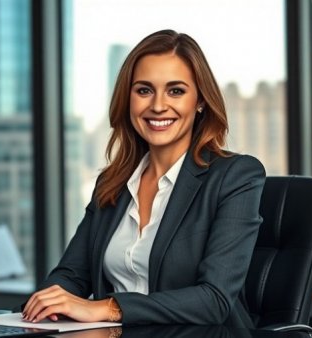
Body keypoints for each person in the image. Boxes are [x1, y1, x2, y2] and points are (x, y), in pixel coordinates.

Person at [22, 29, 266, 328]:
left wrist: (107, 308)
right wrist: (51, 302)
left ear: (200, 101)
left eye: (176, 91)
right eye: (144, 90)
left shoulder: (235, 177)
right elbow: (73, 274)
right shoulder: (113, 183)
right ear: (128, 99)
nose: (158, 106)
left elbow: (213, 300)